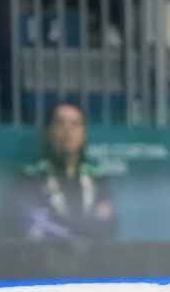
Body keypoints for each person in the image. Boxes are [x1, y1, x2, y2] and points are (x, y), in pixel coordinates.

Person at [14, 100, 114, 243]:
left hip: (92, 256)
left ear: (84, 134)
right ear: (47, 132)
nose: (68, 131)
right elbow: (32, 228)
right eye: (60, 124)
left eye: (75, 124)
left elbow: (108, 226)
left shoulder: (98, 179)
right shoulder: (29, 178)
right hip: (44, 256)